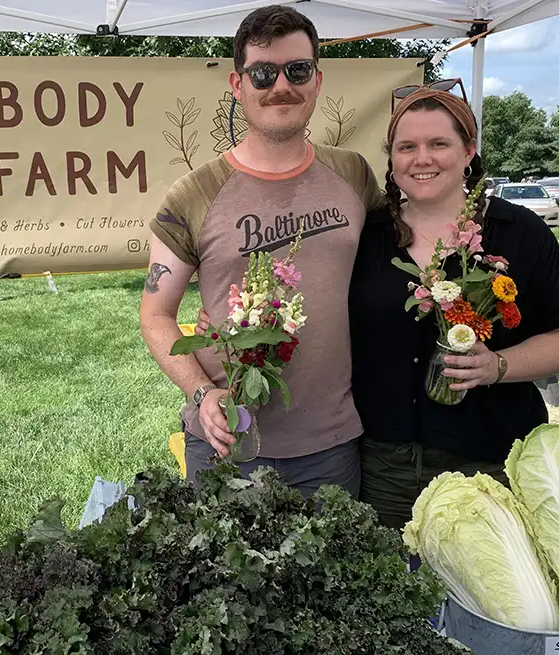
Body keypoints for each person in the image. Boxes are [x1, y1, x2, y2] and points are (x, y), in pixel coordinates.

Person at [195, 82, 559, 528]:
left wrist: (496, 366)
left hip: (494, 456)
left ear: (469, 150)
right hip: (386, 466)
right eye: (407, 147)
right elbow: (302, 284)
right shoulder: (365, 234)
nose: (422, 158)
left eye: (439, 143)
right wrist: (229, 317)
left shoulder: (520, 232)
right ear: (392, 158)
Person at [139, 4, 385, 498]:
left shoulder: (355, 176)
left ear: (317, 80)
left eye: (297, 70)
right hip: (226, 441)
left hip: (332, 445)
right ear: (237, 84)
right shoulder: (194, 194)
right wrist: (201, 393)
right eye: (262, 73)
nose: (281, 86)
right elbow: (156, 314)